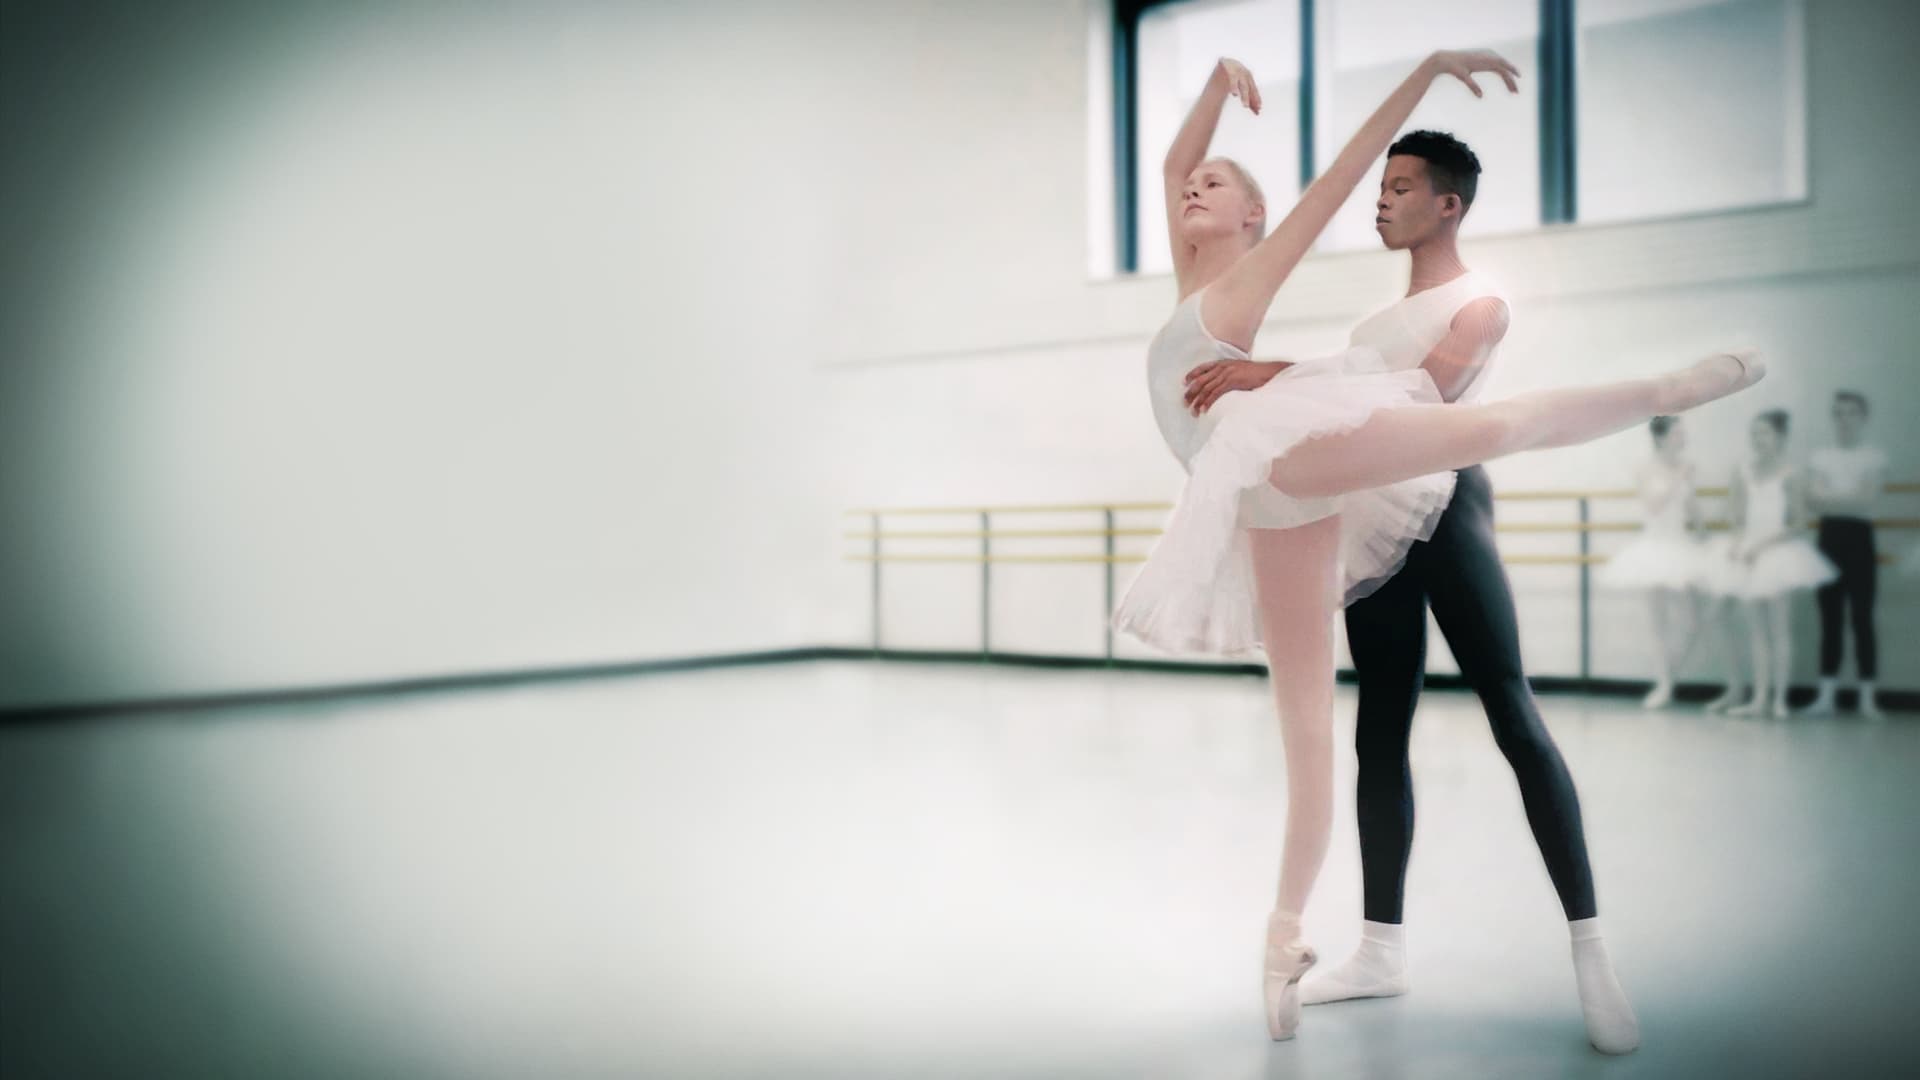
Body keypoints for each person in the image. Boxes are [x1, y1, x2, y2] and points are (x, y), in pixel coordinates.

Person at [1108, 49, 1763, 1043]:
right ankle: (1298, 943)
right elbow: (1171, 167)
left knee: (1494, 458)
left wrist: (1425, 71)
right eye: (1191, 183)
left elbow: (1354, 199)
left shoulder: (1287, 284)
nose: (1193, 186)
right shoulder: (1236, 281)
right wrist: (1210, 90)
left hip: (1367, 474)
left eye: (1218, 183)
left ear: (1254, 216)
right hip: (1287, 493)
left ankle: (1671, 389)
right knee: (1323, 736)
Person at [1703, 411, 1836, 718]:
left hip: (1777, 552)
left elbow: (1800, 522)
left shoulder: (1791, 473)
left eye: (1764, 433)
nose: (1758, 439)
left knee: (1779, 629)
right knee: (1757, 630)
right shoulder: (1742, 471)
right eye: (1754, 433)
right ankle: (1759, 697)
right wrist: (1738, 542)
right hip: (1748, 552)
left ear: (1779, 437)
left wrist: (1762, 545)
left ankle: (1780, 700)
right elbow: (1736, 516)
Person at [1598, 416, 1710, 709]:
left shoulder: (1688, 467)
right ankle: (1665, 684)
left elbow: (1692, 505)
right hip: (1655, 547)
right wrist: (1678, 476)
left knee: (1694, 621)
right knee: (1659, 623)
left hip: (1681, 544)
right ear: (1661, 437)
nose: (1683, 437)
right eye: (1677, 433)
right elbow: (1653, 505)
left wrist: (1703, 532)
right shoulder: (1645, 468)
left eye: (1683, 432)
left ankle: (1669, 676)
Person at [1805, 391, 1886, 718]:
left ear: (1863, 417)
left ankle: (1867, 698)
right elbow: (1813, 501)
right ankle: (1826, 697)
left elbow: (1868, 500)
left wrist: (1831, 497)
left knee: (1862, 617)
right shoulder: (1820, 457)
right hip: (1829, 538)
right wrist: (1848, 497)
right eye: (1838, 413)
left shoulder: (1874, 456)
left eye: (1851, 413)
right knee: (1830, 619)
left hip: (1860, 538)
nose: (1844, 419)